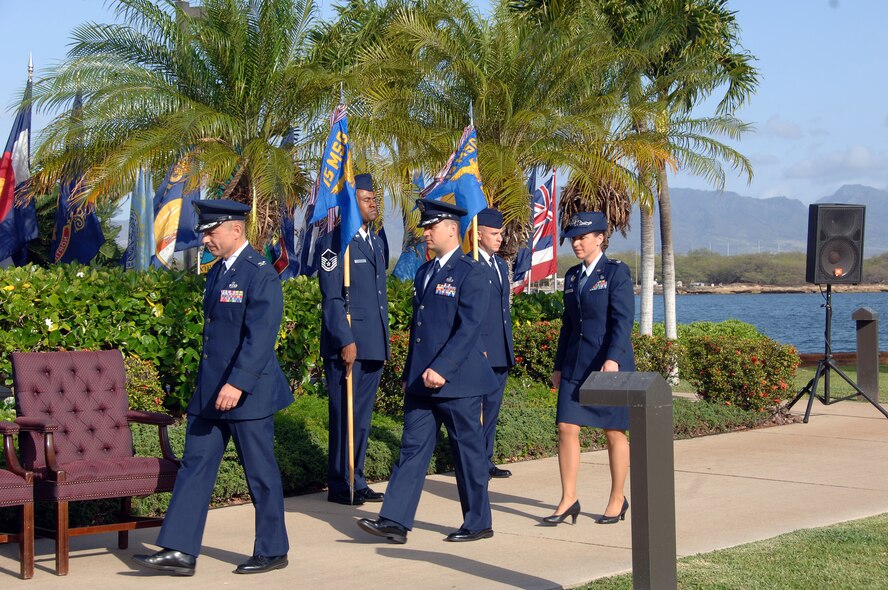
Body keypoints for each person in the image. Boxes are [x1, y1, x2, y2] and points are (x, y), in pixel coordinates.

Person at [133, 200, 293, 575]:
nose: (205, 238)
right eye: (205, 232)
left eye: (211, 231)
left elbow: (261, 336)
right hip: (211, 391)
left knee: (260, 472)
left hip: (245, 393)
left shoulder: (260, 273)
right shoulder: (218, 272)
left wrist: (237, 384)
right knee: (195, 466)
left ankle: (273, 549)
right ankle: (179, 550)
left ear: (236, 230)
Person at [357, 199, 498, 544]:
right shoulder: (425, 271)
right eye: (426, 227)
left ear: (452, 229)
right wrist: (411, 372)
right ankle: (394, 520)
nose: (426, 233)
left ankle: (478, 521)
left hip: (459, 381)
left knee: (467, 453)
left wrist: (442, 368)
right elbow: (420, 330)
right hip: (423, 381)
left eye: (432, 227)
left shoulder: (472, 272)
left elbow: (469, 329)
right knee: (413, 448)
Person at [543, 212, 635, 526]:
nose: (577, 243)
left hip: (609, 363)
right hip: (575, 363)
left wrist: (614, 359)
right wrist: (558, 365)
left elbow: (622, 322)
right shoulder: (571, 277)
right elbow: (568, 325)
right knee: (566, 427)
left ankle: (617, 498)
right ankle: (568, 498)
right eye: (573, 238)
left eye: (583, 237)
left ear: (600, 238)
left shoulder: (616, 273)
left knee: (614, 432)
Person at [318, 173, 389, 505]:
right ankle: (339, 482)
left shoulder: (375, 239)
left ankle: (356, 477)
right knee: (344, 415)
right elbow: (332, 298)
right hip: (347, 345)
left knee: (361, 418)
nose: (373, 203)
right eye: (366, 198)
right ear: (350, 202)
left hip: (373, 343)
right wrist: (344, 339)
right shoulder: (336, 242)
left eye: (375, 198)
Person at [475, 208, 515, 479]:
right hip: (481, 350)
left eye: (500, 233)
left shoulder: (500, 265)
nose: (499, 238)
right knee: (476, 410)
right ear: (479, 235)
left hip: (500, 349)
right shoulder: (469, 263)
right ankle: (473, 459)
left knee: (492, 409)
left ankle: (485, 458)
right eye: (494, 233)